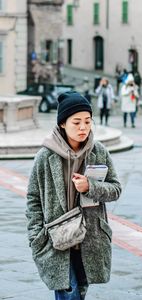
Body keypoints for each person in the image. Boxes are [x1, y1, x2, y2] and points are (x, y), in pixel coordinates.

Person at [26, 91, 122, 300]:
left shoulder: (99, 152)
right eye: (76, 122)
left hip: (90, 239)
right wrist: (36, 237)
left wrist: (91, 186)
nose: (83, 128)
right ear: (62, 123)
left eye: (87, 121)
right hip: (57, 240)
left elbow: (115, 189)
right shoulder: (45, 157)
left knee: (80, 292)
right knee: (69, 295)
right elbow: (33, 199)